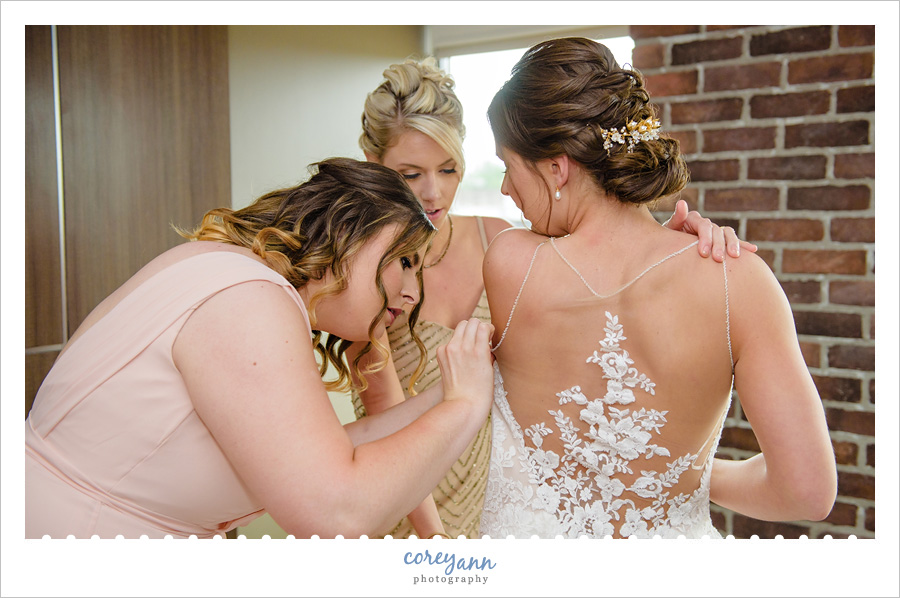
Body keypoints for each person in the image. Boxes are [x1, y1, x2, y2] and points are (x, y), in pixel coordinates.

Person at [347, 57, 758, 539]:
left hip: (511, 511)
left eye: (448, 168)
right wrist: (441, 547)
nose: (433, 192)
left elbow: (601, 293)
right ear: (373, 167)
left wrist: (675, 242)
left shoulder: (501, 243)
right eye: (410, 174)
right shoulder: (363, 271)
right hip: (410, 508)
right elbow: (386, 417)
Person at [24, 157, 496, 539]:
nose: (413, 292)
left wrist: (448, 393)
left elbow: (319, 456)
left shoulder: (227, 269)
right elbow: (337, 513)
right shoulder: (249, 299)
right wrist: (465, 409)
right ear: (349, 233)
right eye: (405, 261)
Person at [479, 37, 837, 538]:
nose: (504, 189)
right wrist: (675, 478)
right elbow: (807, 491)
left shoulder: (510, 264)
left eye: (507, 166)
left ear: (557, 167)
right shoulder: (737, 280)